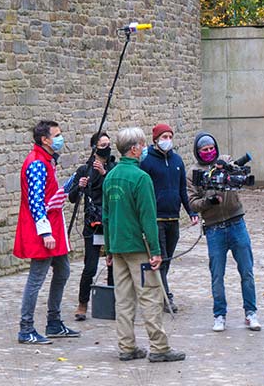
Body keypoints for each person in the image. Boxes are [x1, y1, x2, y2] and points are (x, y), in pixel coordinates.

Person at [102, 127, 185, 362]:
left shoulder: (111, 176)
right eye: (141, 144)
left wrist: (108, 248)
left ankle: (126, 346)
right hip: (138, 247)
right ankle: (159, 347)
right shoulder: (141, 178)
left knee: (124, 299)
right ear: (135, 148)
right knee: (150, 296)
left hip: (118, 247)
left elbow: (106, 216)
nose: (144, 148)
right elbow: (148, 217)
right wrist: (156, 251)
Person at [14, 120, 80, 344]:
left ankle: (54, 322)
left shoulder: (46, 161)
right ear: (45, 140)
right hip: (43, 230)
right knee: (36, 278)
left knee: (62, 271)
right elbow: (36, 201)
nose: (60, 138)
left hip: (52, 227)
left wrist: (74, 183)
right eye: (57, 135)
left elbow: (50, 194)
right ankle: (26, 328)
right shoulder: (36, 164)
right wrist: (45, 233)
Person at [187, 132, 260, 333]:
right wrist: (209, 201)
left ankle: (251, 313)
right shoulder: (193, 173)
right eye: (205, 149)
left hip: (236, 222)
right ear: (198, 151)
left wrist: (226, 168)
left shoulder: (225, 160)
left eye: (211, 148)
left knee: (246, 270)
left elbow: (239, 175)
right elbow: (192, 202)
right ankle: (219, 315)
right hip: (214, 228)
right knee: (217, 275)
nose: (209, 152)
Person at [140, 123, 198, 313]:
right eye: (164, 137)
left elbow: (183, 189)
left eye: (169, 137)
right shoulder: (147, 161)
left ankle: (158, 291)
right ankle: (166, 298)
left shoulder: (177, 162)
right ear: (156, 140)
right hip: (156, 219)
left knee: (168, 259)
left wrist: (191, 211)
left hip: (173, 218)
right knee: (162, 257)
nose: (167, 141)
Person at [68, 131, 116, 321]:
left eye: (108, 144)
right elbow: (72, 198)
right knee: (90, 266)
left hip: (110, 221)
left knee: (114, 265)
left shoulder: (114, 167)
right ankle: (82, 303)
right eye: (103, 145)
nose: (107, 148)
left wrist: (105, 174)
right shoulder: (84, 170)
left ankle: (113, 303)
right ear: (95, 148)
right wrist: (80, 186)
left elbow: (114, 190)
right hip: (92, 223)